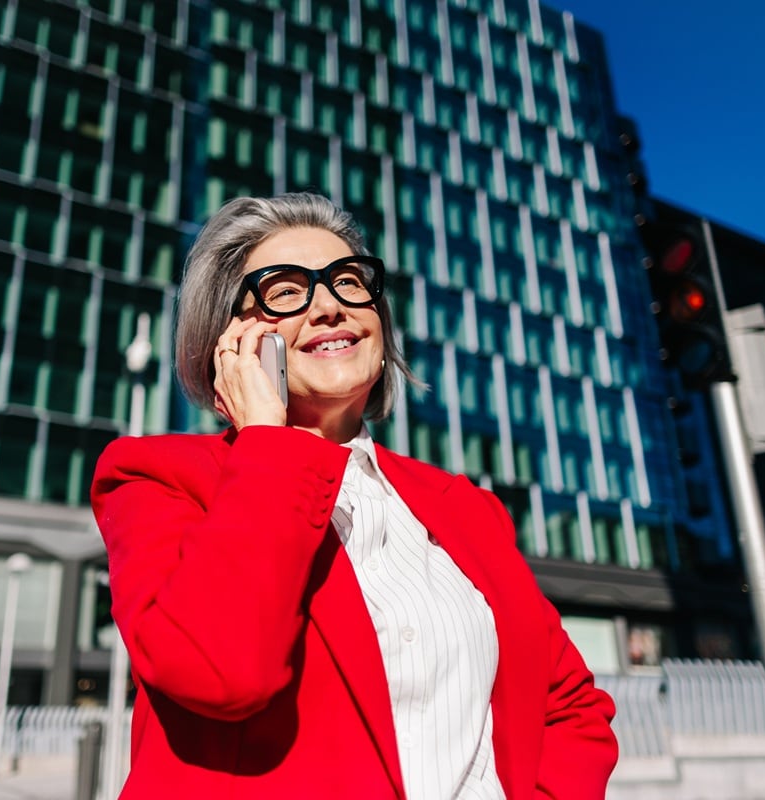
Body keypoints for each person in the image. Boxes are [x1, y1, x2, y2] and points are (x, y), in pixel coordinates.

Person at [91, 192, 617, 799]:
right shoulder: (158, 478)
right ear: (229, 341)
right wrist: (268, 446)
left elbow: (569, 704)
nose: (329, 306)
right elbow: (220, 672)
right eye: (285, 291)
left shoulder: (463, 506)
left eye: (347, 281)